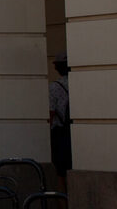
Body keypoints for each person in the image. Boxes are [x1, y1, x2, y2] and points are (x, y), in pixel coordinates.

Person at [49, 52, 72, 192]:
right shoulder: (80, 82)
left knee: (60, 175)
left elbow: (50, 113)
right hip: (75, 131)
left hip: (60, 134)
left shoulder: (55, 87)